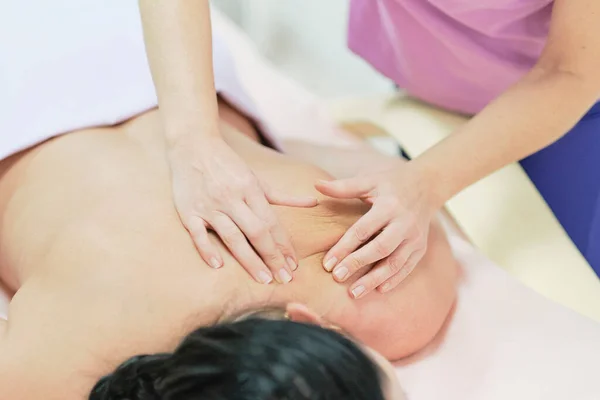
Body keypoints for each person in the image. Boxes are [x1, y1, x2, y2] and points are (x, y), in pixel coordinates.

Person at [0, 97, 456, 399]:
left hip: (151, 69)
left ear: (309, 322)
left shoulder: (397, 293)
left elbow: (377, 179)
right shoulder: (61, 368)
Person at [334, 0, 600, 296]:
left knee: (568, 288)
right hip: (430, 80)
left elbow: (570, 73)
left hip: (570, 101)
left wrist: (425, 184)